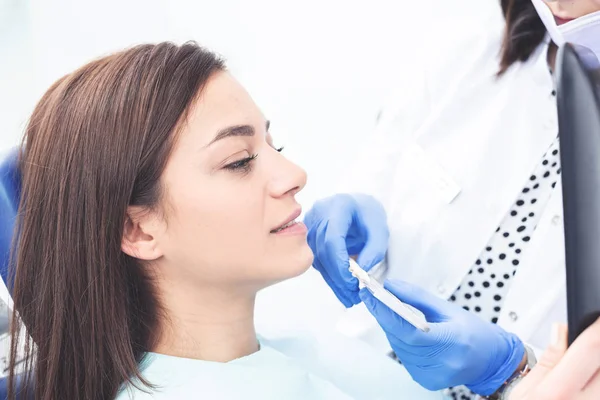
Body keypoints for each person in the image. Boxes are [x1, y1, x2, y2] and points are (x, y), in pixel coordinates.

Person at [0, 36, 599, 400]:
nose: (294, 176)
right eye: (238, 161)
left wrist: (515, 375)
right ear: (137, 228)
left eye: (273, 145)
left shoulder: (308, 356)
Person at [304, 0, 600, 399]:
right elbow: (379, 178)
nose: (562, 4)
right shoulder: (464, 52)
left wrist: (514, 370)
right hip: (366, 376)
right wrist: (357, 218)